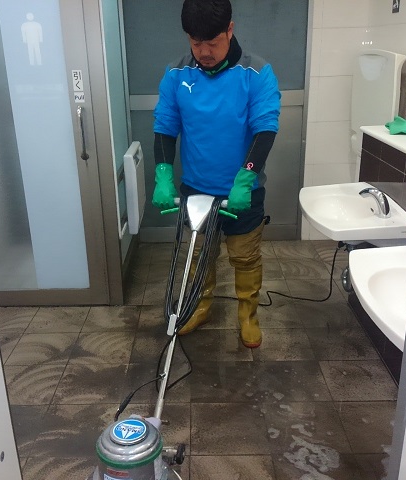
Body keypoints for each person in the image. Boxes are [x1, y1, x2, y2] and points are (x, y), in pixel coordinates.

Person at [152, 0, 280, 348]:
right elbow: (165, 126)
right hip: (196, 189)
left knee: (245, 256)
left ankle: (248, 315)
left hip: (243, 191)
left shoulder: (257, 73)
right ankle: (200, 307)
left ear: (230, 30)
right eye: (196, 43)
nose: (204, 52)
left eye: (213, 42)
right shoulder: (176, 74)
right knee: (198, 256)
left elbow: (265, 128)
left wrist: (245, 180)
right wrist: (163, 174)